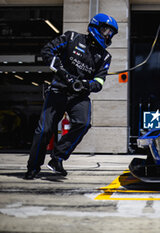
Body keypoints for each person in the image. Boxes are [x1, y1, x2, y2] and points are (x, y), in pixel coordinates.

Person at [24, 13, 118, 179]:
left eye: (111, 33)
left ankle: (57, 158)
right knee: (44, 130)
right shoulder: (71, 37)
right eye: (106, 30)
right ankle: (33, 167)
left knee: (83, 123)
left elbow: (99, 82)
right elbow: (47, 51)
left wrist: (85, 85)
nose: (108, 35)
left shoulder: (105, 57)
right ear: (95, 27)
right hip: (58, 91)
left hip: (79, 96)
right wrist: (64, 74)